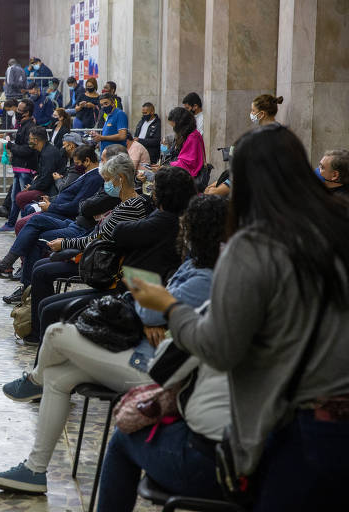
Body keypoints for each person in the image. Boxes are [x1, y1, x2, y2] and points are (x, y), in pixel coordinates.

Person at [129, 125, 349, 511]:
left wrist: (168, 307)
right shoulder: (338, 225)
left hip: (299, 424)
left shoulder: (255, 244)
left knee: (127, 437)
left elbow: (220, 348)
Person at [0, 195, 229, 498]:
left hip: (156, 371)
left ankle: (35, 379)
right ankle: (34, 470)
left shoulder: (205, 277)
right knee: (60, 379)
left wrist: (154, 304)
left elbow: (152, 309)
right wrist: (152, 302)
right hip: (144, 349)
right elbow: (153, 302)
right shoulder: (195, 264)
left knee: (57, 334)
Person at [22, 161, 196, 345]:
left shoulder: (158, 219)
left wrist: (151, 318)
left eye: (155, 188)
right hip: (127, 286)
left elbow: (114, 234)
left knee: (48, 305)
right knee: (45, 296)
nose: (151, 191)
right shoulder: (165, 219)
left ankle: (40, 363)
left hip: (121, 288)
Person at [0, 144, 103, 287]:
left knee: (31, 231)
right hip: (68, 217)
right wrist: (52, 201)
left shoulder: (95, 178)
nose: (76, 166)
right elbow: (71, 196)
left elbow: (77, 205)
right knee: (33, 217)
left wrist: (52, 206)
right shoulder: (89, 175)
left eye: (78, 163)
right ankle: (9, 266)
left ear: (87, 161)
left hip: (74, 222)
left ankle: (21, 279)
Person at [0, 99, 37, 231]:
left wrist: (11, 146)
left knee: (25, 199)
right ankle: (11, 223)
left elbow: (28, 149)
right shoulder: (22, 125)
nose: (17, 112)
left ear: (27, 113)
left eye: (20, 110)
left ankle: (26, 224)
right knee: (15, 198)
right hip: (18, 168)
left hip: (25, 169)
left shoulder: (30, 127)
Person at [159, 107, 204, 177]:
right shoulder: (187, 135)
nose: (174, 129)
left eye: (174, 127)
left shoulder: (192, 137)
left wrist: (166, 167)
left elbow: (187, 163)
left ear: (181, 124)